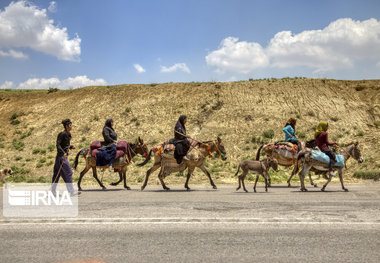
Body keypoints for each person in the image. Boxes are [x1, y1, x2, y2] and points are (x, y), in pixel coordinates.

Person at [52, 119, 79, 196]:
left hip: (61, 157)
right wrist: (63, 153)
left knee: (57, 174)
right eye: (70, 125)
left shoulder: (68, 134)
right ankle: (71, 191)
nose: (71, 126)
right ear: (66, 126)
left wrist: (70, 147)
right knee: (69, 172)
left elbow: (65, 146)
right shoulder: (62, 134)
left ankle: (52, 191)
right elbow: (58, 145)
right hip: (61, 157)